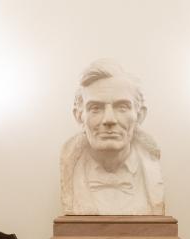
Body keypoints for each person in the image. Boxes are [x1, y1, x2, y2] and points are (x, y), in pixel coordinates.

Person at [60, 59, 165, 216]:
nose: (109, 119)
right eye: (95, 108)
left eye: (122, 107)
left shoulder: (150, 171)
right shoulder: (71, 169)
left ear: (140, 114)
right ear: (79, 115)